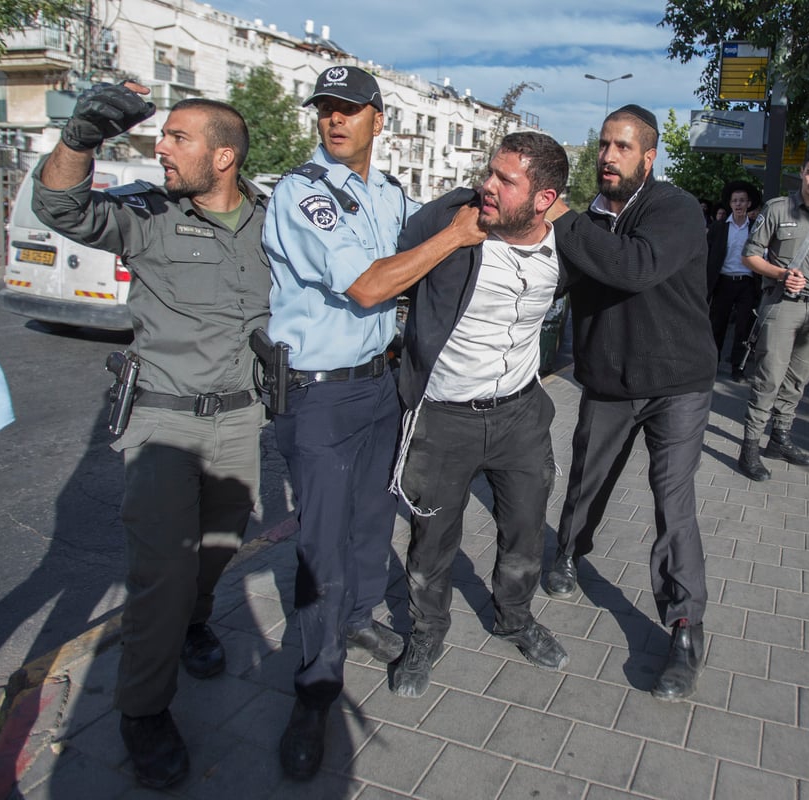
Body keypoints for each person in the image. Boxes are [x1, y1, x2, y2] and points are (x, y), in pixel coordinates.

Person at [32, 84, 267, 789]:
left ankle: (196, 623)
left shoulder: (274, 222)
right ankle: (142, 710)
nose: (161, 148)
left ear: (223, 156)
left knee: (219, 550)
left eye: (178, 138)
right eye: (162, 137)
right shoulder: (147, 215)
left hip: (242, 418)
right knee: (160, 576)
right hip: (162, 419)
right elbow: (61, 207)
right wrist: (80, 139)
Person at [263, 65, 485, 780]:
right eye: (326, 109)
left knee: (369, 523)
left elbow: (425, 252)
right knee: (321, 545)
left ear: (377, 121)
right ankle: (314, 690)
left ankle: (358, 618)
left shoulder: (390, 196)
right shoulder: (305, 194)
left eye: (350, 110)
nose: (335, 120)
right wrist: (453, 237)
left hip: (380, 387)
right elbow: (370, 284)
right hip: (320, 394)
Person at [388, 132, 571, 698]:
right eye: (489, 171)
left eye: (505, 180)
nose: (487, 186)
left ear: (544, 199)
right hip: (443, 417)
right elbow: (388, 276)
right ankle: (425, 632)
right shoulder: (448, 219)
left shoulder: (568, 245)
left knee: (524, 530)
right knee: (432, 537)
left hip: (519, 415)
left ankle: (514, 617)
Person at [542, 104, 715, 701]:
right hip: (609, 381)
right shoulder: (589, 217)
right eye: (604, 145)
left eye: (622, 146)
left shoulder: (674, 209)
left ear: (649, 155)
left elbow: (636, 268)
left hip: (677, 383)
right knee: (586, 480)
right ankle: (567, 551)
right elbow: (558, 281)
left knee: (674, 504)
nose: (608, 156)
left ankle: (684, 629)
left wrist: (565, 220)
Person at [737, 150, 809, 481]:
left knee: (799, 378)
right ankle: (750, 447)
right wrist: (781, 273)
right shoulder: (777, 209)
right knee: (769, 377)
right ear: (801, 173)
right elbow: (750, 255)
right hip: (781, 304)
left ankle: (780, 438)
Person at [706, 179, 762, 381]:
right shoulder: (718, 228)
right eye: (735, 201)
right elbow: (708, 255)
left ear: (749, 204)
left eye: (742, 201)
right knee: (717, 326)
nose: (738, 204)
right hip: (723, 282)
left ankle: (737, 368)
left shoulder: (756, 228)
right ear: (729, 204)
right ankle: (711, 366)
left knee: (743, 328)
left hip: (747, 283)